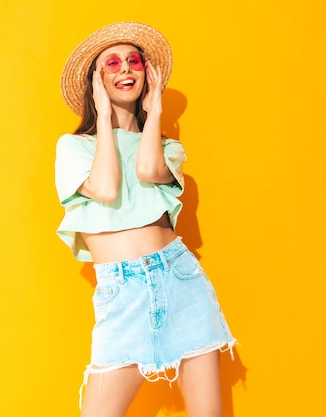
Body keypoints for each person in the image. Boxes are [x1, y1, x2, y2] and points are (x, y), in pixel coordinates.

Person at [55, 22, 236, 417]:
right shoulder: (74, 147)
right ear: (95, 81)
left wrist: (154, 111)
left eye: (134, 62)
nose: (126, 70)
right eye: (112, 63)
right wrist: (103, 117)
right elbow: (104, 187)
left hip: (181, 281)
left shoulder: (169, 148)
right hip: (123, 291)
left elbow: (149, 169)